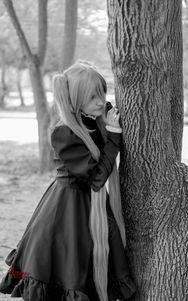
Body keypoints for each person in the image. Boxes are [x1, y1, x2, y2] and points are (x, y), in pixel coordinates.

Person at [0, 61, 136, 301]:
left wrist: (108, 121)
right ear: (75, 98)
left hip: (92, 206)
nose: (100, 101)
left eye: (101, 93)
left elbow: (103, 110)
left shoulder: (93, 119)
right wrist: (114, 137)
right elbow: (96, 178)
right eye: (92, 96)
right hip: (67, 209)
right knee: (69, 272)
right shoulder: (64, 133)